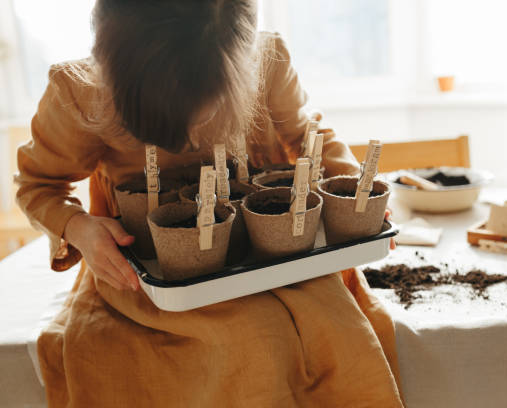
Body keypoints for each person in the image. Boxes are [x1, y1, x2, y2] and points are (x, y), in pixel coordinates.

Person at [16, 1, 403, 406]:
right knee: (233, 345)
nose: (190, 139)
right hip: (149, 277)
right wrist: (78, 227)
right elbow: (38, 185)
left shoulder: (266, 64)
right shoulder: (80, 93)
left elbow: (311, 138)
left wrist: (358, 202)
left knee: (323, 337)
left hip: (273, 259)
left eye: (203, 114)